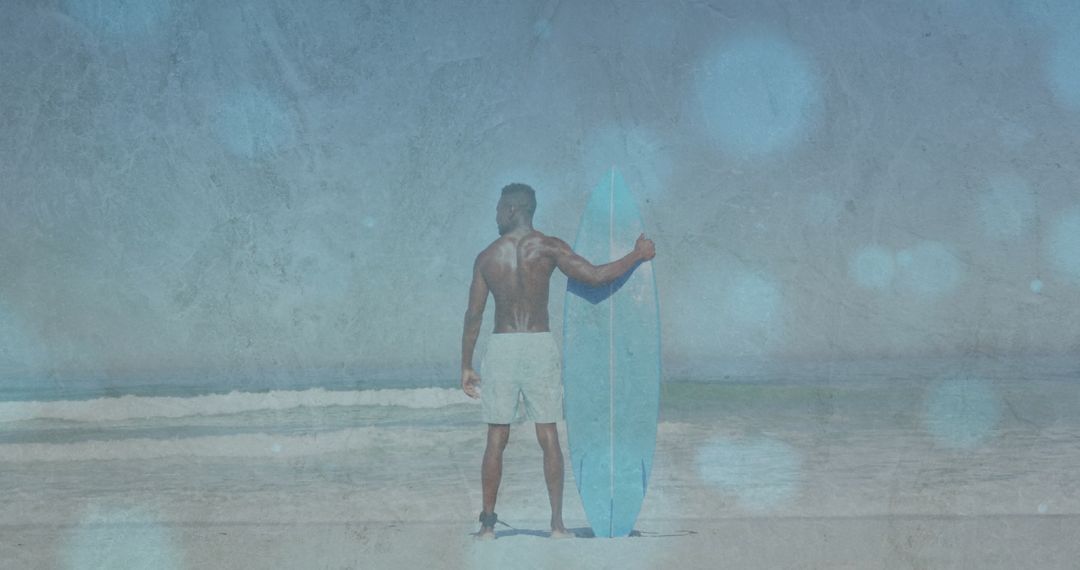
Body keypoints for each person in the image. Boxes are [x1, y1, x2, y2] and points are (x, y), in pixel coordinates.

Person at [460, 183, 656, 540]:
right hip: (539, 344)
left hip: (502, 347)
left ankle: (487, 527)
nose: (496, 215)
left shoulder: (487, 257)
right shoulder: (548, 247)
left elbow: (473, 316)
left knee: (495, 438)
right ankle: (557, 525)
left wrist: (466, 365)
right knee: (547, 433)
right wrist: (637, 255)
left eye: (500, 209)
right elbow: (595, 277)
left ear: (513, 210)